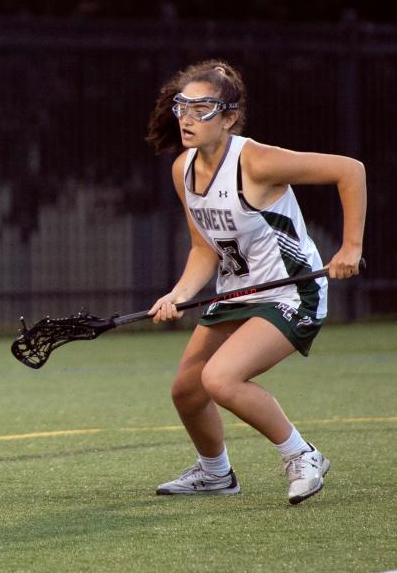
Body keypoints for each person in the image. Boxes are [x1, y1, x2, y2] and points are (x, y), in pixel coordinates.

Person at [144, 59, 365, 504]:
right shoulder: (183, 170)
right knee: (186, 389)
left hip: (292, 290)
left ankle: (302, 456)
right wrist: (179, 294)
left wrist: (351, 248)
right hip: (239, 294)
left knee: (221, 379)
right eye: (182, 106)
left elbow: (350, 170)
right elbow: (204, 248)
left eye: (201, 108)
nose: (187, 117)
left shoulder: (258, 161)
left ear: (228, 117)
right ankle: (215, 474)